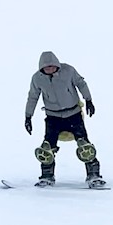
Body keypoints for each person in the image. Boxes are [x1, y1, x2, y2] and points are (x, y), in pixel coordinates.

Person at [24, 51, 104, 187]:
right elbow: (33, 97)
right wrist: (28, 116)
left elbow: (81, 83)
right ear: (41, 67)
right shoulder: (37, 79)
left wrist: (88, 100)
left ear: (57, 64)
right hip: (53, 117)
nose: (49, 69)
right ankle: (47, 176)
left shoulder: (68, 71)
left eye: (52, 66)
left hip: (73, 114)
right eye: (46, 67)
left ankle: (94, 175)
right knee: (47, 148)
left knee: (85, 146)